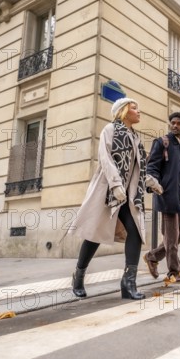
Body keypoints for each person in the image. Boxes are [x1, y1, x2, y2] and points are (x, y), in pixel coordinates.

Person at [68, 97, 161, 300]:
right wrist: (116, 184)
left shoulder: (135, 137)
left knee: (135, 233)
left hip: (129, 195)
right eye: (135, 108)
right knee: (94, 235)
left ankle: (128, 283)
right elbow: (105, 158)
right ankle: (79, 275)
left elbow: (139, 168)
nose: (139, 112)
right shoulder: (109, 130)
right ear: (124, 111)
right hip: (107, 190)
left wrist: (152, 183)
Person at [143, 111, 180, 286]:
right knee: (172, 236)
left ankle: (153, 256)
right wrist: (156, 185)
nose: (174, 125)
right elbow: (152, 168)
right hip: (166, 195)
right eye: (172, 123)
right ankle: (174, 271)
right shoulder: (162, 143)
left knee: (178, 229)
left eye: (178, 123)